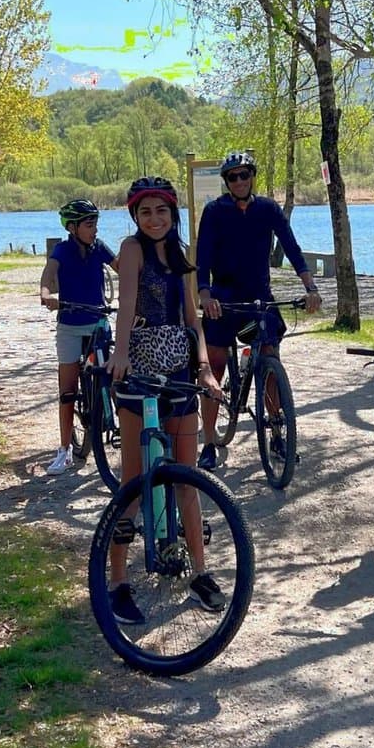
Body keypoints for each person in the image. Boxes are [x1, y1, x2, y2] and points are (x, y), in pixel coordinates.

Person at [105, 176, 224, 625]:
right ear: (135, 216)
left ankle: (200, 572)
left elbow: (193, 319)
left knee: (186, 479)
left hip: (179, 372)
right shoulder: (132, 249)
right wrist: (120, 353)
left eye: (161, 211)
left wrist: (205, 368)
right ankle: (118, 580)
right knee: (134, 480)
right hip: (140, 371)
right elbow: (127, 306)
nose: (154, 219)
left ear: (173, 214)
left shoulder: (181, 253)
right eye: (145, 212)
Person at [194, 150, 322, 470]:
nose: (239, 181)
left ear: (252, 177)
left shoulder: (267, 208)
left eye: (244, 175)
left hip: (259, 298)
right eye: (233, 177)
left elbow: (291, 247)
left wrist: (310, 287)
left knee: (269, 358)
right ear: (226, 181)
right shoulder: (214, 211)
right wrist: (204, 294)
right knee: (215, 366)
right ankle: (208, 441)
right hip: (223, 299)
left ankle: (277, 432)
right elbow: (203, 257)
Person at [39, 198, 118, 474]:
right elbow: (48, 276)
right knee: (68, 390)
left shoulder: (99, 248)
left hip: (98, 322)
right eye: (89, 224)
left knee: (114, 374)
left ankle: (118, 421)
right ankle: (64, 449)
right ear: (72, 227)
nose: (94, 230)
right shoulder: (62, 250)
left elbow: (122, 267)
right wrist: (46, 295)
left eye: (95, 224)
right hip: (70, 325)